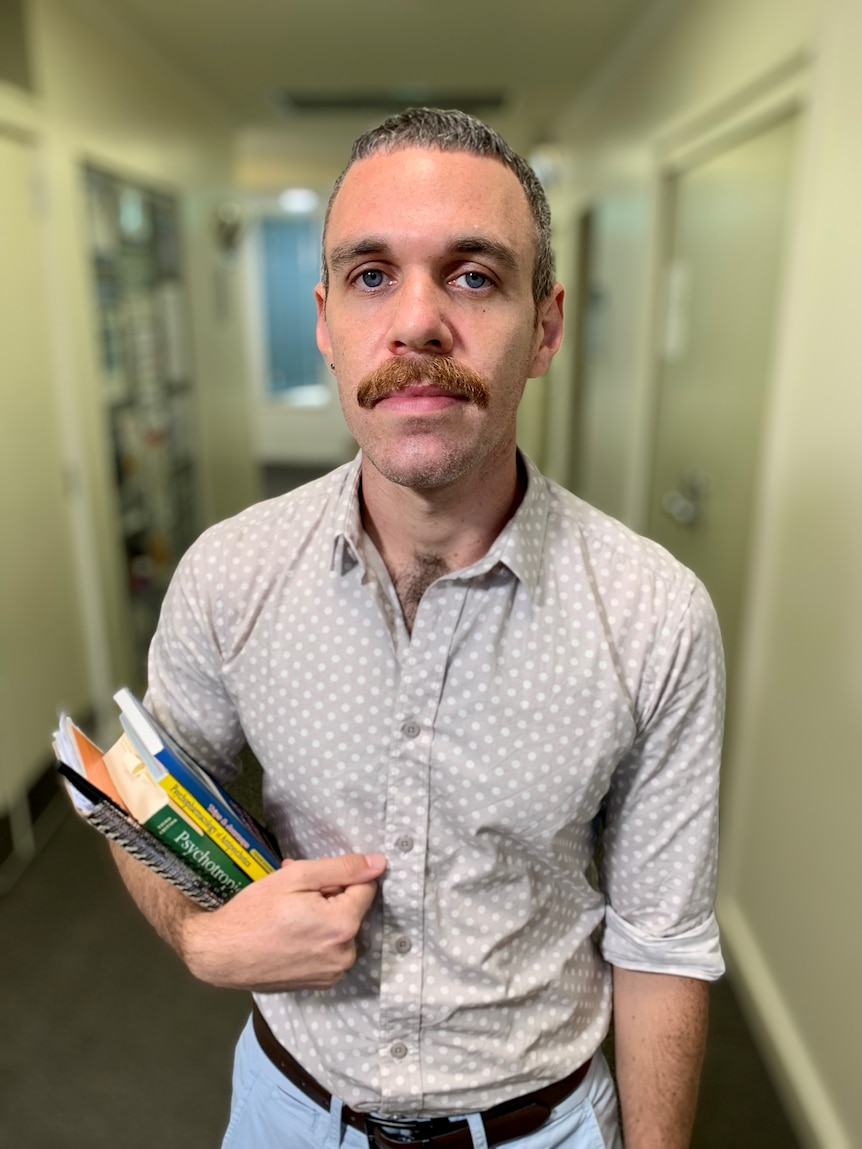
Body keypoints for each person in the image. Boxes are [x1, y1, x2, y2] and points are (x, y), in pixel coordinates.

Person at [111, 107, 725, 1149]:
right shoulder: (230, 573)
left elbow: (661, 944)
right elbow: (141, 791)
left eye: (474, 276)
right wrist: (200, 941)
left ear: (545, 326)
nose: (417, 324)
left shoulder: (653, 613)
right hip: (286, 1113)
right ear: (324, 320)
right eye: (370, 276)